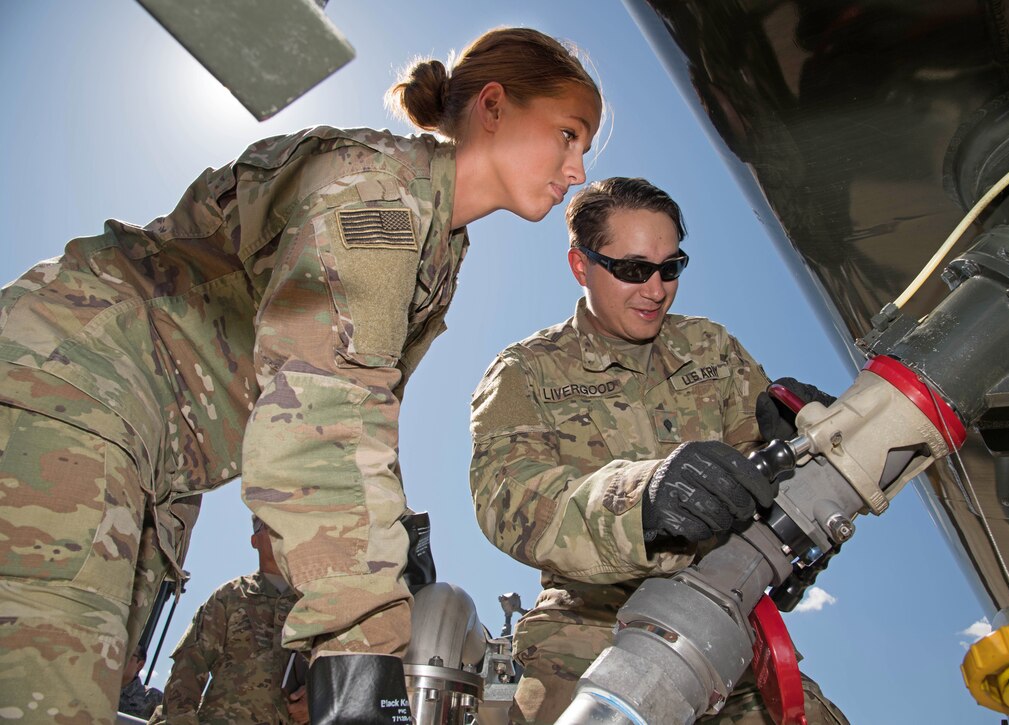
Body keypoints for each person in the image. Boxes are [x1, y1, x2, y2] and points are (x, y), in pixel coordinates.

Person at [0, 26, 601, 724]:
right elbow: (322, 419)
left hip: (146, 451)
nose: (577, 170)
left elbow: (360, 408)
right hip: (78, 395)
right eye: (568, 133)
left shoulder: (436, 242)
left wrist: (399, 553)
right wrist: (366, 648)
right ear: (494, 105)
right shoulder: (377, 191)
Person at [469, 177, 848, 723]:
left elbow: (766, 475)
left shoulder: (710, 348)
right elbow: (507, 499)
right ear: (581, 266)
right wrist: (641, 503)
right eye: (632, 269)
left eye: (671, 268)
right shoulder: (526, 372)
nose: (656, 289)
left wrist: (800, 443)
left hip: (723, 622)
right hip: (589, 633)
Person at [150, 516, 307, 724]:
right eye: (271, 525)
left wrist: (315, 702)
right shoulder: (230, 596)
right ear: (254, 541)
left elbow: (336, 672)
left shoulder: (311, 606)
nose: (281, 533)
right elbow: (188, 667)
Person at [117, 645, 164, 720]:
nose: (118, 657)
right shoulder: (96, 688)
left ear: (140, 665)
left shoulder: (154, 698)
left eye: (126, 654)